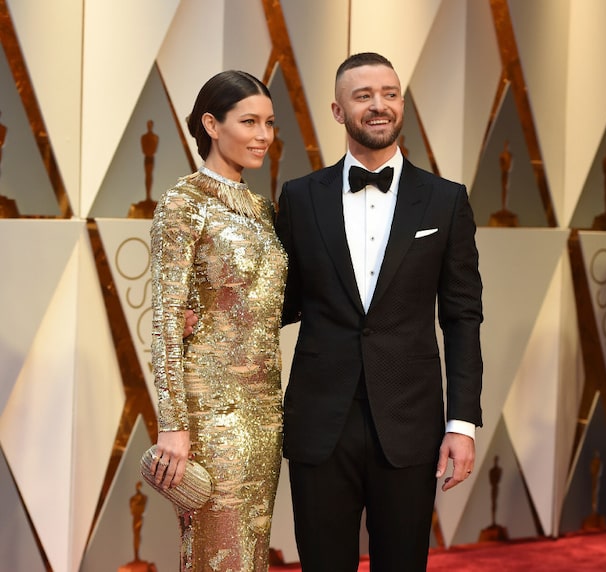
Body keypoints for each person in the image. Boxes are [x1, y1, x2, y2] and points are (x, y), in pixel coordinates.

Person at [276, 52, 483, 571]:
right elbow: (280, 301)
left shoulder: (445, 200)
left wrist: (461, 423)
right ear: (338, 110)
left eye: (389, 94)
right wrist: (211, 320)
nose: (379, 106)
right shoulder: (299, 198)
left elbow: (461, 317)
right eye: (363, 95)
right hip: (321, 422)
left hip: (410, 424)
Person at [149, 70, 287, 571]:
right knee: (215, 550)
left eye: (269, 123)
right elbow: (165, 323)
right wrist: (173, 427)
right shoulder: (184, 203)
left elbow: (268, 303)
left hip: (266, 410)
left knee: (254, 547)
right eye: (249, 122)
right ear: (211, 124)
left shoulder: (264, 210)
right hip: (209, 415)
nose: (263, 136)